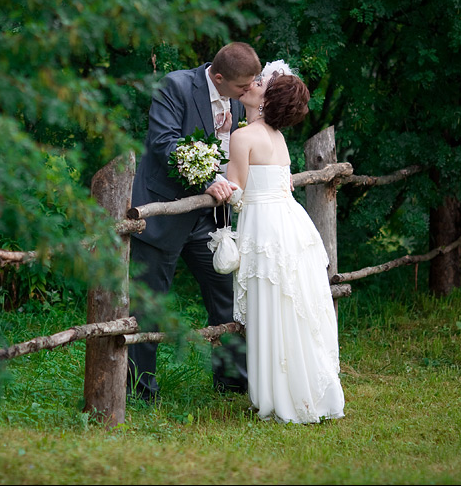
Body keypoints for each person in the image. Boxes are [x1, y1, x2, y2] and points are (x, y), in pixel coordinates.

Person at [128, 42, 262, 402]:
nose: (249, 91)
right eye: (242, 87)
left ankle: (232, 382)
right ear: (218, 77)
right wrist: (208, 180)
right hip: (162, 212)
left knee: (228, 300)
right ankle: (140, 392)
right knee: (148, 307)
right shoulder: (175, 87)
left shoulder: (238, 97)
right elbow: (164, 143)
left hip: (208, 219)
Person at [223, 60, 345, 423]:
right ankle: (303, 390)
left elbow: (235, 194)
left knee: (273, 308)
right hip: (290, 224)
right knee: (291, 308)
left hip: (265, 229)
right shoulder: (277, 139)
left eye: (259, 84)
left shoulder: (242, 137)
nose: (251, 85)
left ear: (266, 100)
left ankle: (279, 395)